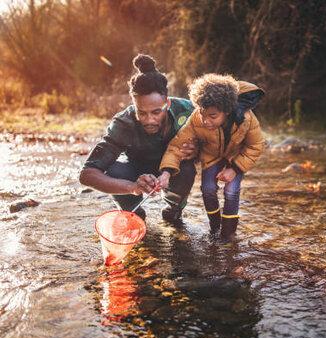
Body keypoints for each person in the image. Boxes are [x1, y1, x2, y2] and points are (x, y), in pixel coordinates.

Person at [79, 54, 264, 223]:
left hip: (175, 170)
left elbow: (218, 142)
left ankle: (174, 209)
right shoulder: (122, 123)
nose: (149, 120)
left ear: (167, 103)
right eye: (141, 113)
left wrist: (198, 151)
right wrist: (133, 187)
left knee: (187, 170)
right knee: (111, 169)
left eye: (156, 112)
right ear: (133, 104)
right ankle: (133, 213)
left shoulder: (190, 111)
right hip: (135, 172)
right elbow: (87, 174)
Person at [157, 74, 265, 239]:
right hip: (211, 156)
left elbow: (256, 146)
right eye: (202, 113)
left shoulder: (247, 119)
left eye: (212, 116)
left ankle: (228, 235)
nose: (206, 120)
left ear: (227, 111)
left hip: (236, 158)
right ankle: (214, 229)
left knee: (231, 191)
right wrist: (166, 172)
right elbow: (176, 146)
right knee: (207, 189)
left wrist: (235, 169)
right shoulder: (196, 119)